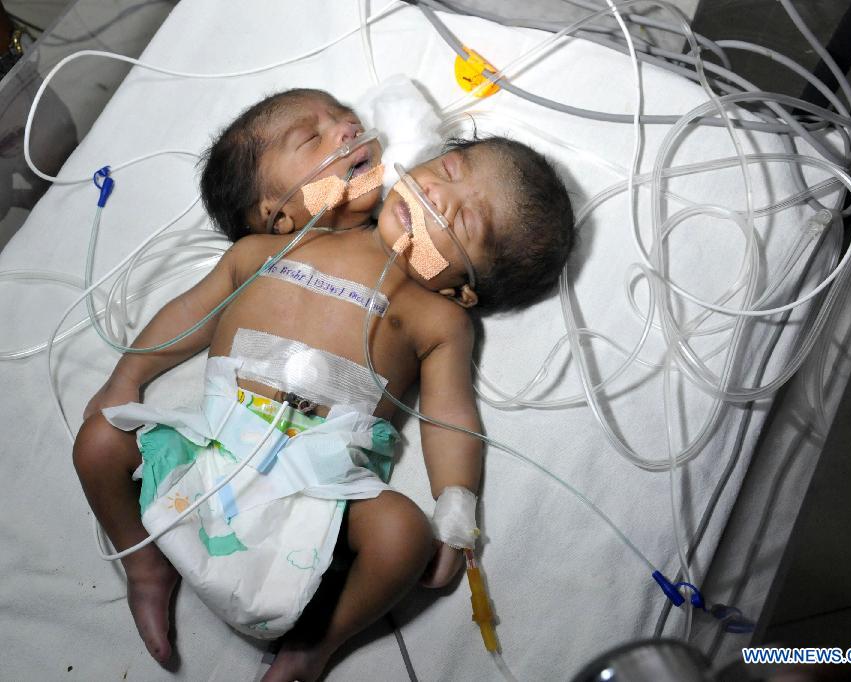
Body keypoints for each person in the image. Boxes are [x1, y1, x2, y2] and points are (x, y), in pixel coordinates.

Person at [73, 87, 575, 681]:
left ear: (462, 287)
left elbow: (452, 417)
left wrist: (456, 512)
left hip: (321, 491)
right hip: (210, 454)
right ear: (281, 211)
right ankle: (147, 566)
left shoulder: (436, 318)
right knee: (98, 443)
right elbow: (191, 314)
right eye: (448, 168)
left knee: (403, 537)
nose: (439, 193)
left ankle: (315, 649)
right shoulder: (262, 252)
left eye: (464, 219)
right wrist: (127, 376)